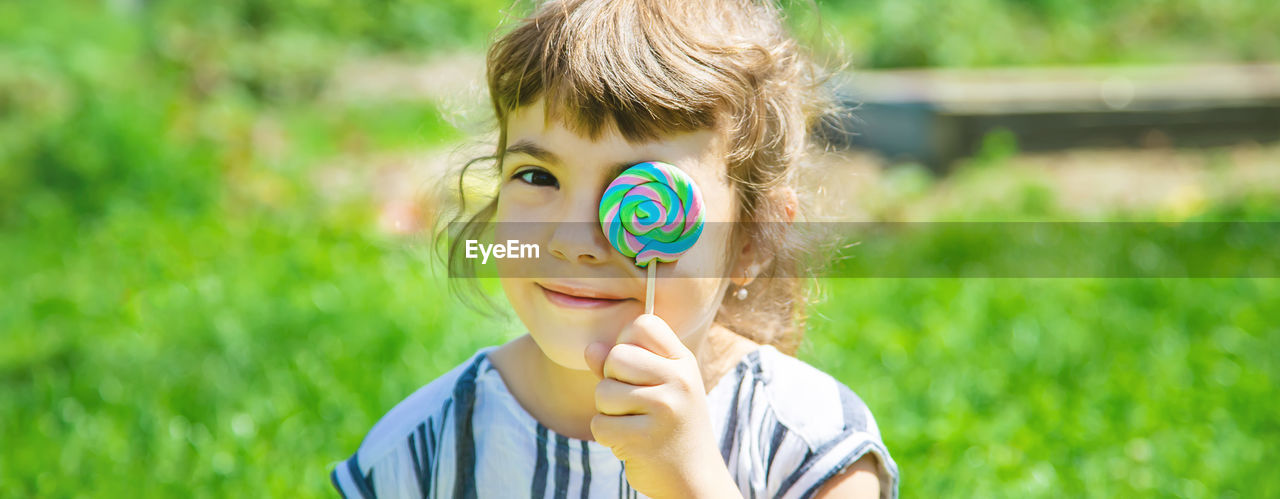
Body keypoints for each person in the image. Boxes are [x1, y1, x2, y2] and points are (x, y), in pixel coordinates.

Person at [331, 0, 898, 497]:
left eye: (640, 192)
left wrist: (691, 482)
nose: (575, 241)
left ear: (753, 239)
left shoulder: (812, 446)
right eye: (536, 177)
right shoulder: (426, 449)